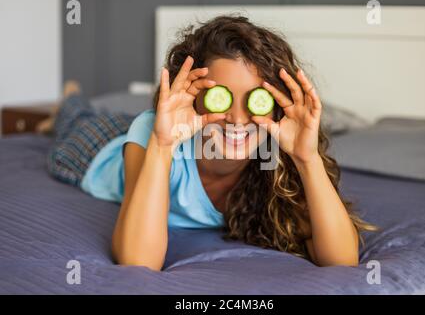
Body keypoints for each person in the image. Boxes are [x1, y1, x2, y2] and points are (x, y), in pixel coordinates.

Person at [45, 15, 376, 271]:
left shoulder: (274, 157)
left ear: (275, 107)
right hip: (99, 149)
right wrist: (161, 144)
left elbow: (342, 261)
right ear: (195, 99)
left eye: (254, 101)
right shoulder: (153, 134)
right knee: (77, 120)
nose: (237, 119)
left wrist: (307, 159)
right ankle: (70, 99)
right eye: (221, 98)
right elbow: (137, 263)